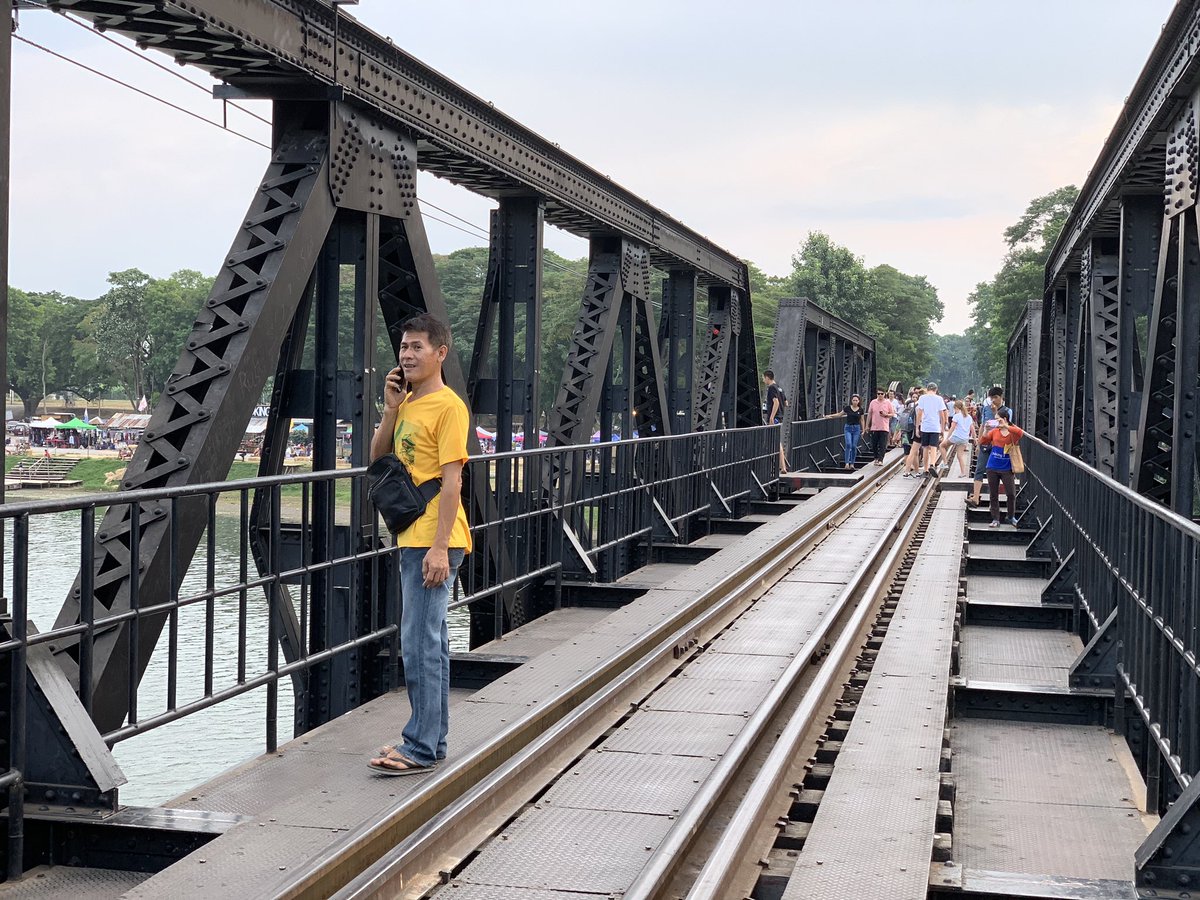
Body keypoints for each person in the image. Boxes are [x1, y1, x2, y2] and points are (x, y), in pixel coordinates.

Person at [369, 313, 472, 776]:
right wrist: (391, 409)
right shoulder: (409, 403)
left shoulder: (449, 406)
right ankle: (430, 738)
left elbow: (452, 483)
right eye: (403, 347)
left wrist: (437, 548)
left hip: (435, 539)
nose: (407, 355)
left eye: (417, 348)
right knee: (427, 639)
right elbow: (377, 459)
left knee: (420, 643)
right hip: (412, 535)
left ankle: (422, 747)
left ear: (440, 353)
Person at [966, 388, 1014, 508]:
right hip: (986, 444)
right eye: (991, 398)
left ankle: (1002, 501)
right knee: (980, 469)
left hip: (999, 445)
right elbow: (983, 425)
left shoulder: (1007, 411)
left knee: (999, 472)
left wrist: (995, 412)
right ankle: (976, 497)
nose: (993, 400)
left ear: (1000, 397)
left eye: (995, 397)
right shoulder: (985, 409)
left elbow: (1006, 426)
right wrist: (979, 442)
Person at [979, 412, 1024, 527]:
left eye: (998, 420)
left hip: (1007, 468)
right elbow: (983, 442)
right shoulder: (994, 432)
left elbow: (1020, 433)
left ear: (1005, 419)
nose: (996, 422)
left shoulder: (1012, 432)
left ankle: (1010, 516)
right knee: (993, 494)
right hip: (992, 466)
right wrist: (985, 430)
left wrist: (1006, 426)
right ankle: (995, 519)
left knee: (1011, 493)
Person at [913, 381, 947, 476]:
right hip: (935, 426)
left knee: (925, 447)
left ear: (927, 389)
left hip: (925, 427)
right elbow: (942, 415)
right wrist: (942, 429)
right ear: (936, 390)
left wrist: (917, 427)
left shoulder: (922, 398)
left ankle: (925, 469)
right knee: (933, 447)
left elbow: (919, 413)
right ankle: (932, 464)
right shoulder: (939, 399)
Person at [826, 394, 863, 470]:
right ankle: (847, 463)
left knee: (853, 446)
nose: (855, 402)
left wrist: (864, 430)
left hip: (856, 428)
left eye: (856, 400)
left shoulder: (860, 410)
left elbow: (862, 420)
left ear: (859, 401)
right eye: (853, 400)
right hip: (848, 428)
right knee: (848, 444)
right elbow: (839, 414)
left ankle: (852, 463)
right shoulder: (847, 408)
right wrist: (830, 416)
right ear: (851, 401)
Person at [940, 400, 976, 477]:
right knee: (960, 456)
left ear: (956, 408)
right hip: (964, 439)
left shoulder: (956, 416)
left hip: (956, 437)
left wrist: (947, 438)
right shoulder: (968, 416)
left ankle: (945, 463)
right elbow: (972, 429)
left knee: (942, 446)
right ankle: (963, 473)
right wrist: (975, 438)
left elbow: (952, 428)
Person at [763, 370, 788, 474]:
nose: (763, 380)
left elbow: (776, 402)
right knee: (775, 441)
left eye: (763, 378)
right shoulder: (779, 388)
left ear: (767, 377)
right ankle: (781, 466)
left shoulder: (772, 388)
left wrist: (772, 417)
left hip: (776, 418)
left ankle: (783, 467)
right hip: (780, 417)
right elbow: (786, 403)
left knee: (777, 442)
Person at [866, 388, 894, 466]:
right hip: (874, 427)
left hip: (884, 427)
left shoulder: (887, 403)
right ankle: (876, 457)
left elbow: (892, 413)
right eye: (878, 394)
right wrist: (867, 425)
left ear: (884, 394)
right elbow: (869, 414)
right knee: (874, 444)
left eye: (882, 394)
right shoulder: (873, 402)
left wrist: (886, 415)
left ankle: (880, 459)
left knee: (882, 444)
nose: (880, 395)